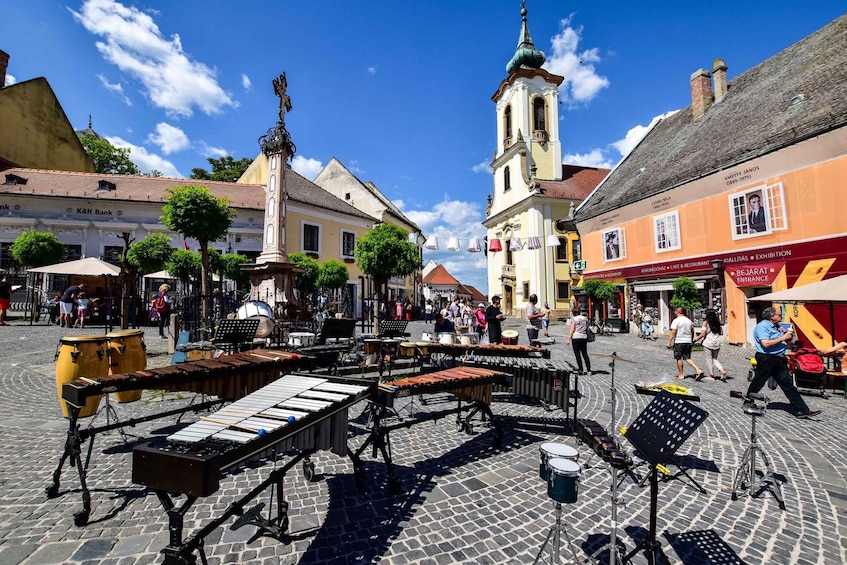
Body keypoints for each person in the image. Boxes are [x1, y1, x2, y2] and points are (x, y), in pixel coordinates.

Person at [747, 307, 820, 419]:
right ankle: (748, 400)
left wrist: (788, 338)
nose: (781, 317)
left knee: (788, 384)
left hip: (779, 359)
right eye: (779, 315)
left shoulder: (777, 327)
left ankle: (802, 409)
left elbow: (783, 341)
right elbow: (765, 344)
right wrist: (783, 338)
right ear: (772, 316)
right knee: (759, 381)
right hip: (767, 358)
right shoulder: (762, 327)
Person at [667, 307, 704, 380]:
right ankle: (698, 369)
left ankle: (681, 374)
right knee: (687, 357)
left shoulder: (676, 321)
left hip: (679, 341)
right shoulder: (689, 321)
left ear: (678, 312)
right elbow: (692, 331)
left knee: (678, 357)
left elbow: (673, 332)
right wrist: (691, 340)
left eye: (675, 310)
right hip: (687, 341)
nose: (674, 312)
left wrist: (669, 342)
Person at [695, 309, 727, 381]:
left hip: (708, 343)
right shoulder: (717, 322)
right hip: (717, 342)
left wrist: (696, 339)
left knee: (709, 360)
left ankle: (712, 376)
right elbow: (721, 333)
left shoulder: (706, 322)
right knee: (715, 359)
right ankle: (722, 370)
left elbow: (703, 333)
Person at [566, 306, 592, 375]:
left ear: (573, 313)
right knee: (585, 353)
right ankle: (589, 370)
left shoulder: (574, 319)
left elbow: (572, 329)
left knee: (577, 354)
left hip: (576, 337)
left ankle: (581, 369)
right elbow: (587, 327)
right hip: (584, 337)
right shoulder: (585, 318)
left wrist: (568, 338)